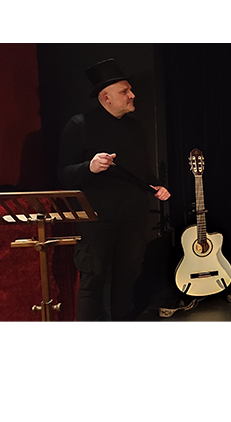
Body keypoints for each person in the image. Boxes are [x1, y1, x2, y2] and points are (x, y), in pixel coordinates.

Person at [57, 58, 170, 321]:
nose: (133, 95)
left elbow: (141, 171)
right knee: (93, 280)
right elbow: (64, 174)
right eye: (125, 91)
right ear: (105, 97)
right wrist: (90, 167)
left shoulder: (135, 127)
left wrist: (156, 186)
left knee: (127, 278)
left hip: (132, 217)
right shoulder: (79, 125)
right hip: (97, 220)